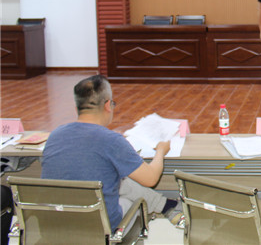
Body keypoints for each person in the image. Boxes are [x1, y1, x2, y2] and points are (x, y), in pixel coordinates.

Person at [41, 75, 184, 233]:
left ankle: (165, 205)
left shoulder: (55, 135)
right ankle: (165, 206)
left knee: (116, 179)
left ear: (77, 108)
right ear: (108, 105)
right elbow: (151, 179)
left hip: (55, 224)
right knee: (126, 192)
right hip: (99, 228)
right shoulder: (111, 140)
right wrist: (161, 151)